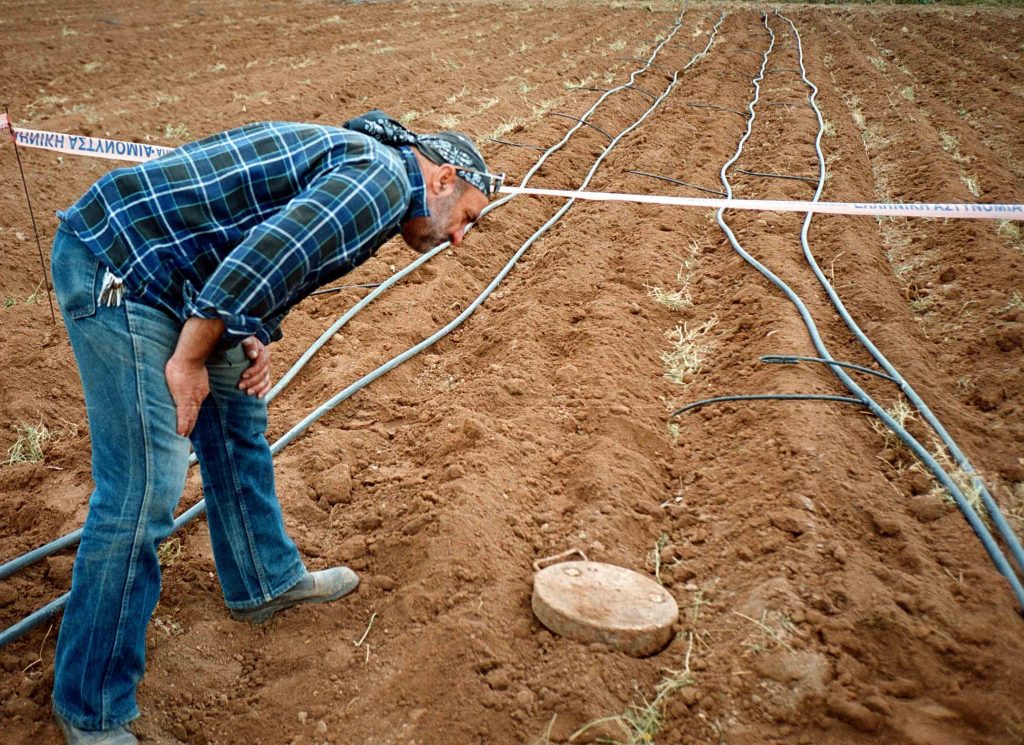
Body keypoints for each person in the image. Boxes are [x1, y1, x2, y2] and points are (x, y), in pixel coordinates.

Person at [48, 110, 500, 745]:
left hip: (178, 274)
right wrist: (187, 360)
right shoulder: (381, 183)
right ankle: (90, 706)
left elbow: (266, 243)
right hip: (122, 264)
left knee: (235, 418)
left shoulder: (370, 171)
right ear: (444, 178)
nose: (459, 237)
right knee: (142, 491)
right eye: (467, 218)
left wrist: (251, 329)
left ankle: (264, 580)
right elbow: (264, 260)